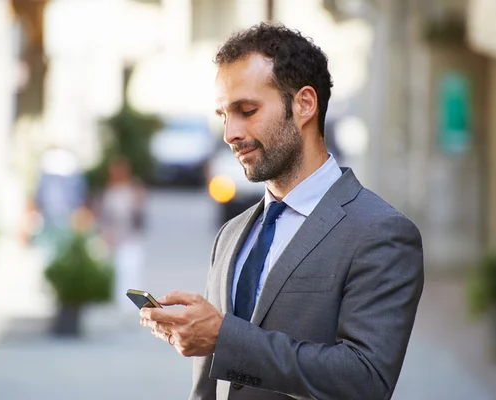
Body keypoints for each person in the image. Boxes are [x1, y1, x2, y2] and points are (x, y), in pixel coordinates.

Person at [139, 22, 424, 400]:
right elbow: (208, 386)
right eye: (224, 115)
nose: (230, 133)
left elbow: (366, 381)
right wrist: (210, 333)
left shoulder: (382, 232)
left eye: (246, 110)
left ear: (305, 104)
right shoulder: (231, 234)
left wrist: (224, 336)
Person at [97, 157, 147, 313]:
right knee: (118, 275)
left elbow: (139, 217)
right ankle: (120, 307)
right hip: (115, 239)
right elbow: (104, 218)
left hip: (130, 239)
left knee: (131, 272)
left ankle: (132, 308)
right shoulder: (109, 193)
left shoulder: (132, 192)